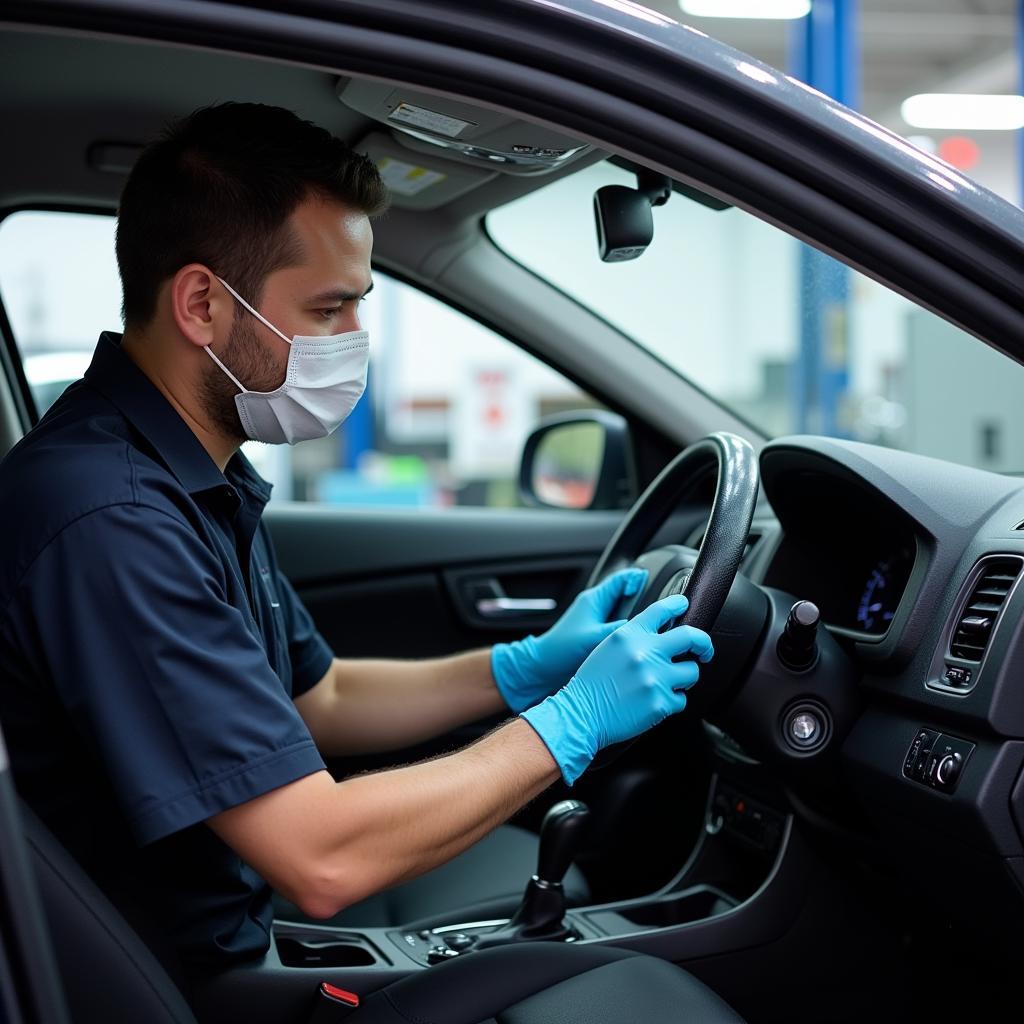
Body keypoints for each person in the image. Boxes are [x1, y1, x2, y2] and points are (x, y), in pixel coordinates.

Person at [0, 103, 713, 978]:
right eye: (329, 308)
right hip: (182, 985)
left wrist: (526, 665)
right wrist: (572, 723)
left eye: (357, 308)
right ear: (201, 306)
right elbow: (324, 861)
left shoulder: (192, 472)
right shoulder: (112, 521)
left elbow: (321, 698)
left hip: (237, 945)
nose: (352, 343)